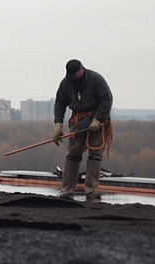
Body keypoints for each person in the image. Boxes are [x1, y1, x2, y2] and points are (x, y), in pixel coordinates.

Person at [53, 59, 113, 200]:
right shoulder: (66, 82)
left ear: (81, 69)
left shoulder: (96, 80)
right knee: (73, 154)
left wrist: (98, 119)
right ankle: (67, 191)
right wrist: (58, 124)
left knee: (95, 154)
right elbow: (60, 102)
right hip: (78, 120)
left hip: (98, 121)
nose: (73, 77)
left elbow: (107, 99)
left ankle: (91, 190)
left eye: (75, 74)